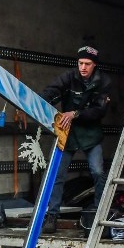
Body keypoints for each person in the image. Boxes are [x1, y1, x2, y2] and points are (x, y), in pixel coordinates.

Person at [41, 46, 112, 233]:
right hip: (68, 133)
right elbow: (52, 90)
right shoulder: (69, 77)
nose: (83, 67)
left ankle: (99, 213)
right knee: (57, 174)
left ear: (94, 65)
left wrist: (76, 113)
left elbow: (99, 110)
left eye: (87, 64)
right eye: (80, 63)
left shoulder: (104, 82)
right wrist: (40, 103)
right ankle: (52, 215)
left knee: (97, 171)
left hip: (90, 132)